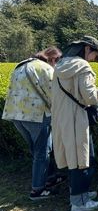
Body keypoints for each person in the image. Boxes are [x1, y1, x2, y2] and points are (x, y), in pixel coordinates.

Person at [52, 36, 98, 211]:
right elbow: (89, 97)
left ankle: (78, 194)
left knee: (73, 158)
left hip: (62, 119)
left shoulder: (60, 65)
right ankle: (79, 202)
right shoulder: (83, 66)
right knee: (83, 159)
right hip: (77, 119)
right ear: (87, 49)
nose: (94, 60)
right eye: (95, 55)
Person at [2, 47, 63, 199]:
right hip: (36, 115)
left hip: (16, 114)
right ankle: (38, 190)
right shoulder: (45, 68)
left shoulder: (21, 65)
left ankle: (50, 178)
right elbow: (54, 94)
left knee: (37, 150)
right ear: (53, 59)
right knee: (42, 151)